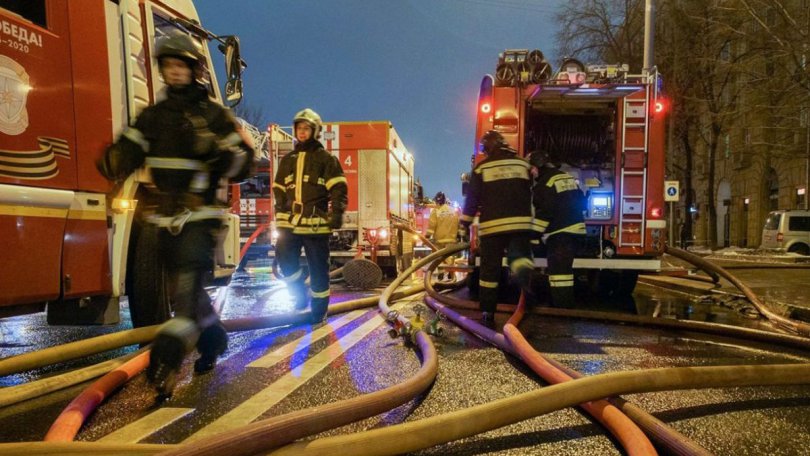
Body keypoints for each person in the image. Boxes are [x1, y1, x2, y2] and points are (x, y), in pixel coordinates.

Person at [97, 32, 255, 394]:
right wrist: (114, 160)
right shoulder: (152, 117)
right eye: (169, 65)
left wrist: (220, 154)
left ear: (194, 69)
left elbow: (244, 163)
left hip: (199, 220)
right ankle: (212, 340)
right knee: (193, 294)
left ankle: (165, 362)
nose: (175, 71)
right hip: (160, 221)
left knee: (184, 294)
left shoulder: (213, 116)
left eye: (181, 65)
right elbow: (128, 151)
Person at [272, 108, 348, 324]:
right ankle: (298, 293)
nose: (302, 132)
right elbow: (279, 189)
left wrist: (337, 213)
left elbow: (339, 188)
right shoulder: (288, 160)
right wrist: (280, 213)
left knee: (319, 270)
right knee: (284, 260)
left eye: (307, 128)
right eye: (299, 128)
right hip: (290, 224)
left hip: (316, 226)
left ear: (315, 131)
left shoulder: (326, 159)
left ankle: (318, 311)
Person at [460, 130, 534, 327]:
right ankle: (524, 284)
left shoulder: (481, 169)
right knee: (520, 259)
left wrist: (464, 224)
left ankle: (487, 312)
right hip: (520, 224)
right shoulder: (522, 164)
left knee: (489, 271)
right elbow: (532, 190)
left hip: (493, 227)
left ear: (488, 148)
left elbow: (472, 200)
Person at [529, 149, 586, 308]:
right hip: (576, 232)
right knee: (564, 272)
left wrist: (533, 236)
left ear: (538, 166)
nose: (532, 172)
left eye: (532, 168)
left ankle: (562, 310)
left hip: (560, 235)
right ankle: (562, 306)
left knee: (560, 276)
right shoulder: (566, 177)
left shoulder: (543, 185)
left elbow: (543, 214)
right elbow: (582, 200)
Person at [426, 191, 459, 279]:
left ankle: (441, 273)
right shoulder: (453, 211)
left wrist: (427, 236)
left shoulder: (436, 211)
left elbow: (432, 226)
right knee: (450, 256)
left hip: (439, 240)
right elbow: (458, 223)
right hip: (451, 239)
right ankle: (451, 273)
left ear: (437, 201)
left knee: (439, 257)